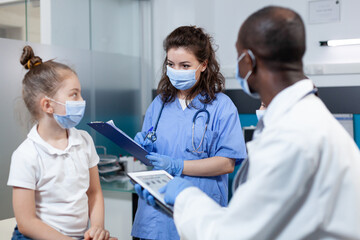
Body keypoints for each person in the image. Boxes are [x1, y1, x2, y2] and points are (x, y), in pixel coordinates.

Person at [137, 6, 360, 240]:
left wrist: (183, 196)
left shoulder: (291, 134)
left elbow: (236, 233)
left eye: (237, 55)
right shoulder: (307, 118)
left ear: (248, 60)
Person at [131, 26, 247, 239]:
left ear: (203, 65)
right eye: (170, 64)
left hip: (199, 217)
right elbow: (153, 158)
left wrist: (178, 165)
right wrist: (142, 149)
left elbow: (227, 163)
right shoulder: (159, 104)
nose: (176, 70)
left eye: (185, 65)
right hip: (155, 218)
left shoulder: (222, 107)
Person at [7, 46, 116, 240]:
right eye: (74, 94)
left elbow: (94, 192)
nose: (82, 101)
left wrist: (97, 227)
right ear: (48, 105)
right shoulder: (26, 155)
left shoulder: (84, 141)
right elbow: (26, 223)